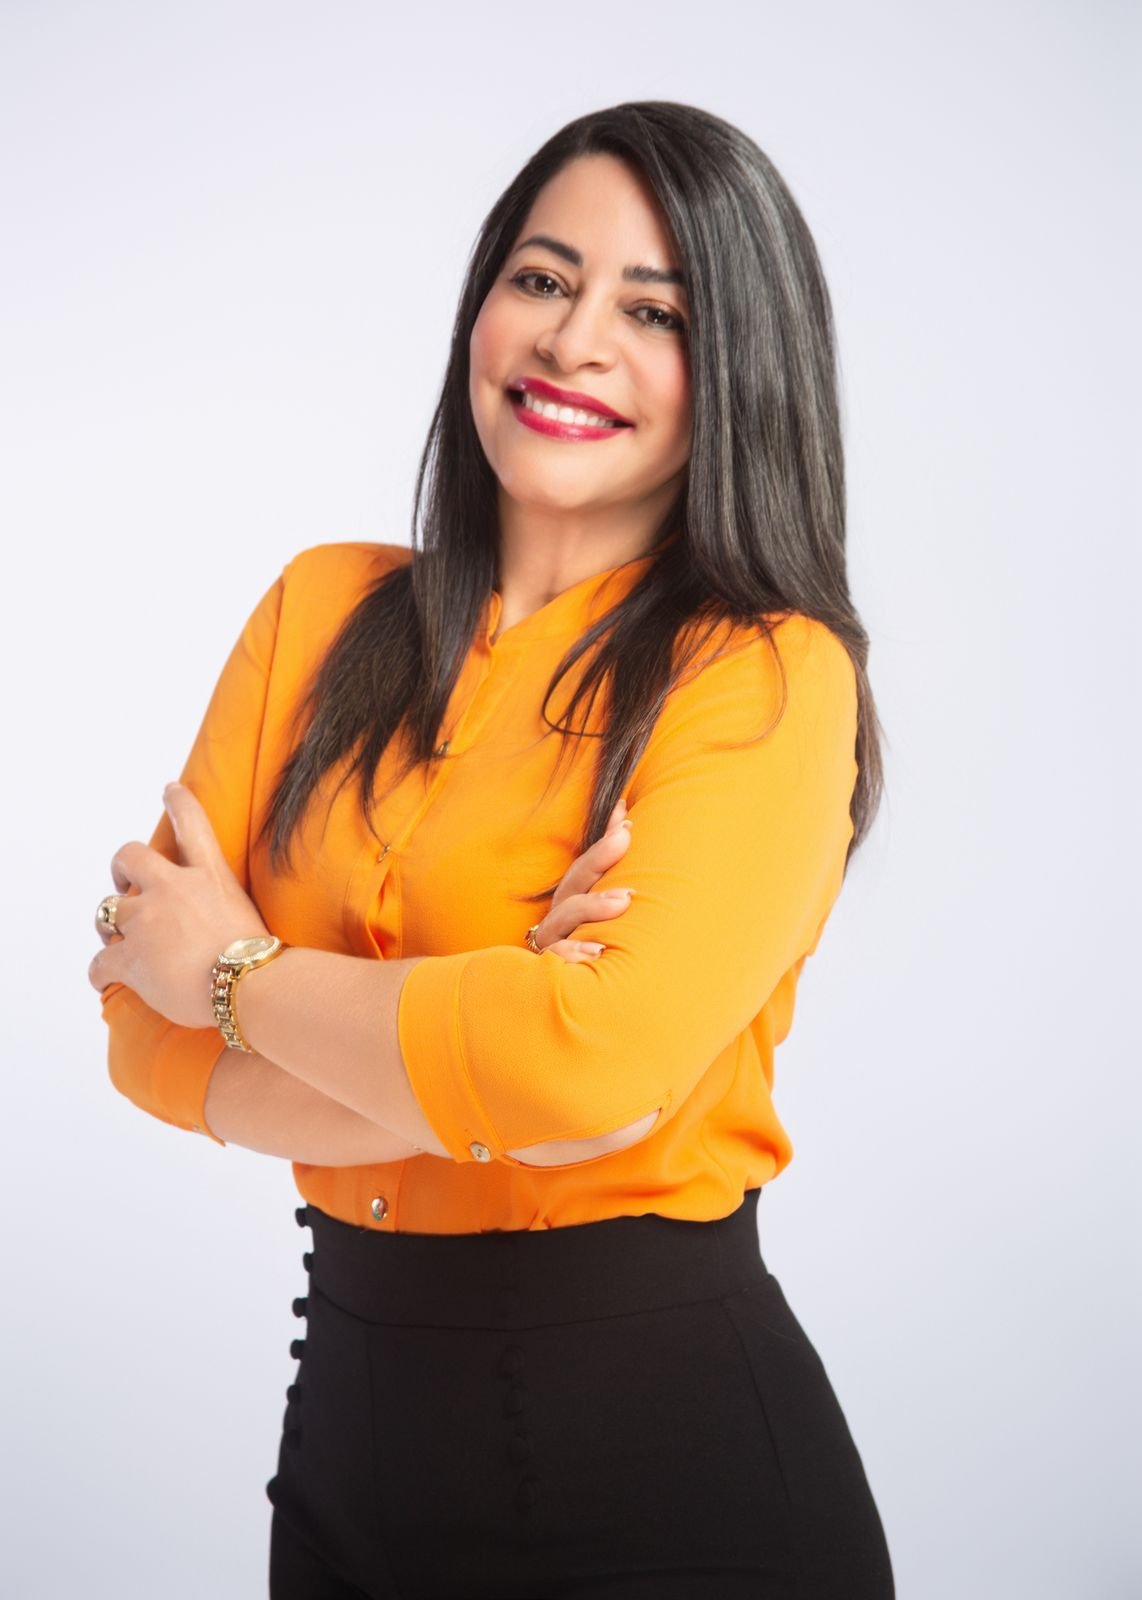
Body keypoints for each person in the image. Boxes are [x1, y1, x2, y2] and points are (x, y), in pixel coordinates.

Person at [89, 100, 895, 1599]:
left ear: (739, 370)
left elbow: (577, 1065)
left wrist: (238, 975)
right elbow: (142, 1031)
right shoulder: (318, 611)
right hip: (343, 1454)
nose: (574, 341)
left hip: (664, 1474)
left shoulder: (762, 675)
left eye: (653, 312)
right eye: (542, 279)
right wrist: (491, 1068)